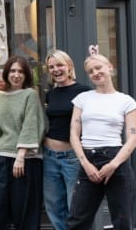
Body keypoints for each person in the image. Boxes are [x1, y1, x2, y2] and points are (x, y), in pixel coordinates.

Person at [68, 53, 136, 230]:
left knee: (122, 221)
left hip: (116, 159)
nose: (95, 72)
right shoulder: (82, 99)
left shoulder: (126, 101)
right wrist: (85, 164)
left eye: (98, 67)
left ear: (110, 67)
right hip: (88, 160)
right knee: (77, 221)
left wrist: (113, 165)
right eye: (90, 71)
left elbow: (132, 139)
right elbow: (74, 134)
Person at [0, 56, 46, 230]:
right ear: (7, 73)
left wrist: (21, 156)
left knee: (25, 213)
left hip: (25, 162)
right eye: (13, 71)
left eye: (21, 71)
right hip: (1, 159)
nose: (16, 75)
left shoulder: (30, 95)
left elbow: (31, 125)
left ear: (26, 75)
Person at [42, 50, 91, 230]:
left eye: (60, 65)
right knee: (54, 206)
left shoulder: (84, 92)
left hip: (72, 157)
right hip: (49, 156)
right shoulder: (51, 94)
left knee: (75, 205)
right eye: (51, 67)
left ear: (69, 66)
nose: (56, 70)